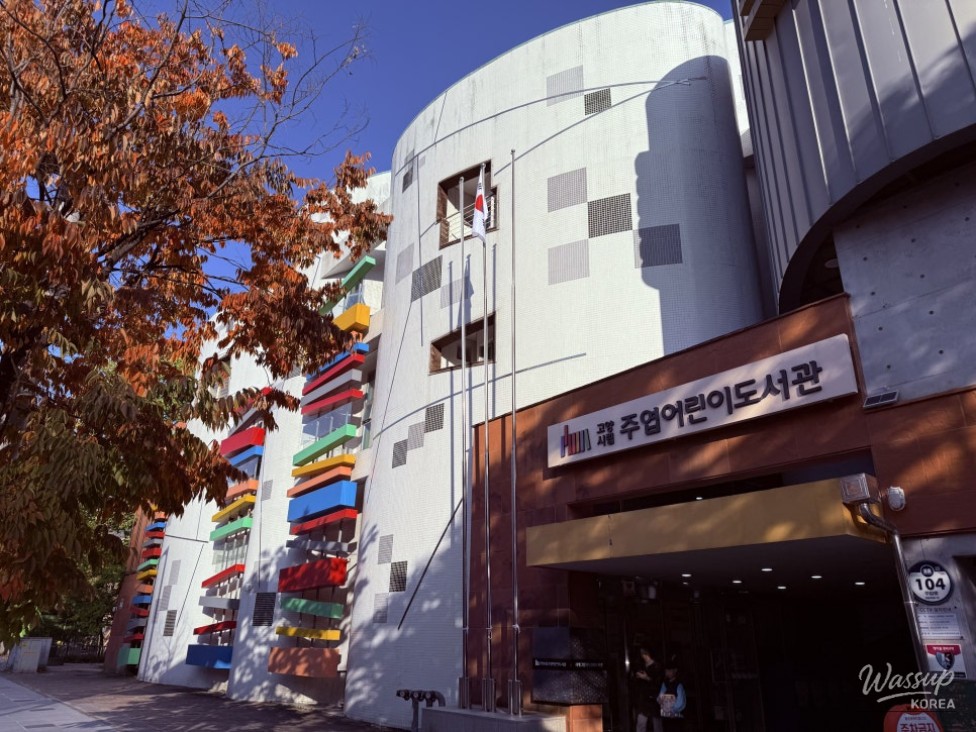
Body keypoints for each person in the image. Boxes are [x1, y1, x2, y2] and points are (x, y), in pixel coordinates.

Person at [631, 646, 663, 732]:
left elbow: (658, 682)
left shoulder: (657, 666)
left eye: (643, 653)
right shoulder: (642, 665)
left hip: (654, 698)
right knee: (641, 722)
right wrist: (638, 677)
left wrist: (646, 678)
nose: (642, 656)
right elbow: (636, 681)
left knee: (656, 723)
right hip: (643, 698)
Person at [657, 661, 686, 730]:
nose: (668, 673)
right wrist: (659, 700)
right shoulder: (665, 683)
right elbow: (660, 695)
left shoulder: (679, 684)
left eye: (669, 671)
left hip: (676, 717)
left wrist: (673, 710)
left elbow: (681, 702)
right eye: (666, 671)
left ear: (675, 670)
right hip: (666, 716)